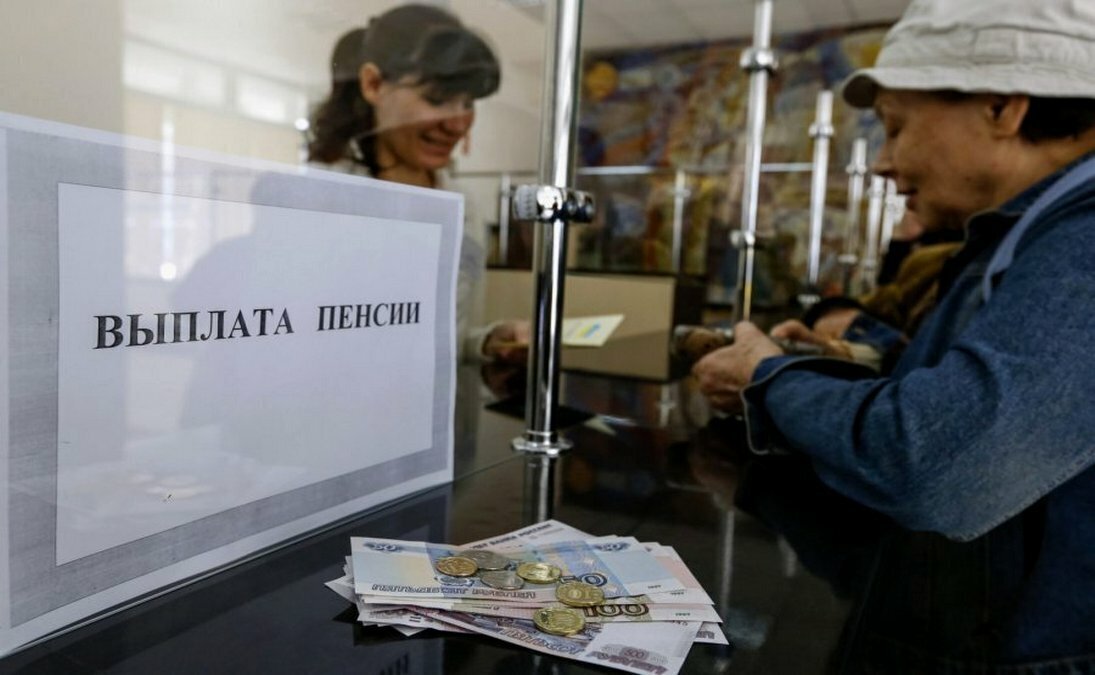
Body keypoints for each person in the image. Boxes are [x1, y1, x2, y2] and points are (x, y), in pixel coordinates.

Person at [693, 0, 1095, 666]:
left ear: (1001, 107)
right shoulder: (1027, 235)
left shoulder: (1083, 240)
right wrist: (854, 362)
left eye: (896, 127)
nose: (882, 163)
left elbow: (944, 465)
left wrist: (766, 378)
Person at [308, 5, 528, 364]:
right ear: (373, 85)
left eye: (467, 102)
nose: (457, 124)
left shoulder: (462, 205)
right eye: (437, 99)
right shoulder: (322, 197)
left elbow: (443, 335)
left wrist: (484, 342)